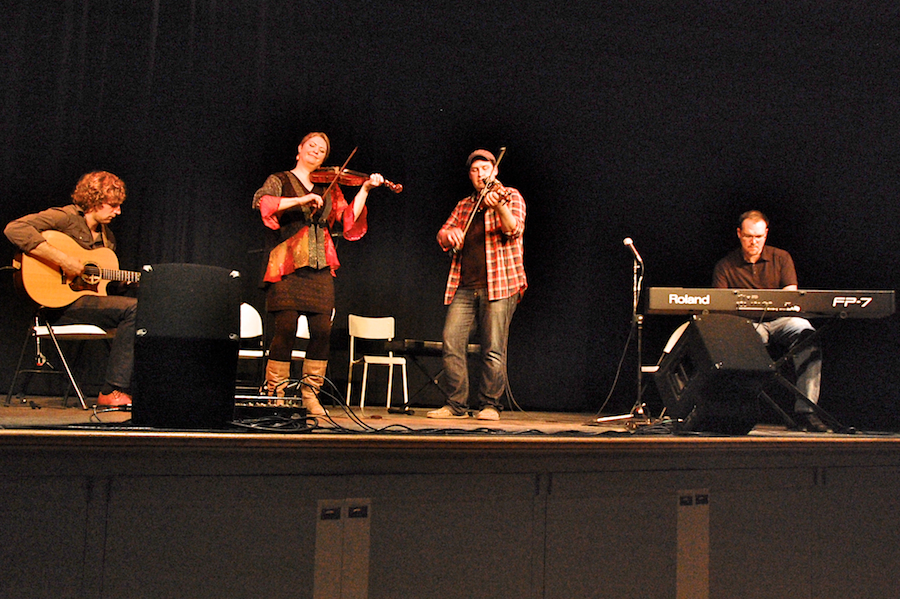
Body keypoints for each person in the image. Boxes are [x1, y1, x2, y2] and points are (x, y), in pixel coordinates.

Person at [252, 132, 383, 415]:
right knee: (285, 327)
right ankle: (276, 392)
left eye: (322, 150)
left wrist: (364, 190)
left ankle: (310, 393)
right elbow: (263, 203)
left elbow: (348, 220)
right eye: (311, 146)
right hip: (287, 264)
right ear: (299, 150)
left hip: (320, 266)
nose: (316, 151)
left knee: (322, 331)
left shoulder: (331, 187)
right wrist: (301, 201)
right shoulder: (280, 179)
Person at [4, 171, 138, 407]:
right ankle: (112, 391)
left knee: (139, 308)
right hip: (56, 305)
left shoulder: (108, 238)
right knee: (135, 310)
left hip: (83, 302)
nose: (118, 212)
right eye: (113, 205)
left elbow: (100, 282)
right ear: (95, 200)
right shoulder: (65, 217)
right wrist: (64, 260)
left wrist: (123, 282)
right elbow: (15, 229)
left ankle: (123, 387)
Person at [427, 149, 527, 421]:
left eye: (485, 168)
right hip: (465, 285)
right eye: (475, 170)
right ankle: (456, 404)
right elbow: (442, 234)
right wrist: (450, 234)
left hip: (501, 284)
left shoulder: (511, 196)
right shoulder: (464, 206)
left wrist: (499, 206)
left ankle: (490, 405)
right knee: (451, 341)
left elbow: (513, 228)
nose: (480, 173)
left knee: (493, 347)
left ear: (495, 171)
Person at [712, 210, 827, 432]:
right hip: (748, 324)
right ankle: (741, 412)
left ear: (766, 234)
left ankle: (807, 412)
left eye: (759, 236)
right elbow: (721, 307)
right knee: (740, 340)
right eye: (748, 236)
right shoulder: (725, 265)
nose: (754, 242)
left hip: (781, 320)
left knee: (807, 334)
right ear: (739, 234)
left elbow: (790, 297)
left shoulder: (781, 257)